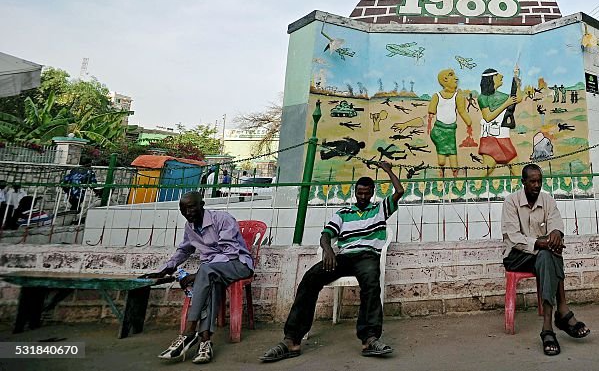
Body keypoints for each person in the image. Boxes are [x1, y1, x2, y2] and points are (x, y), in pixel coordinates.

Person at [260, 160, 404, 362]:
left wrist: (387, 169)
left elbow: (399, 191)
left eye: (367, 193)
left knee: (371, 283)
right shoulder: (343, 213)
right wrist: (328, 250)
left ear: (372, 193)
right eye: (360, 193)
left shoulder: (380, 209)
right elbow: (326, 234)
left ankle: (369, 339)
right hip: (344, 257)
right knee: (310, 278)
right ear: (355, 192)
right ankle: (291, 340)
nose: (363, 197)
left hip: (367, 256)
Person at [142, 192, 255, 364]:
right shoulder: (190, 227)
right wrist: (166, 269)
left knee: (206, 272)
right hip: (213, 271)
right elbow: (184, 250)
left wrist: (199, 273)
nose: (188, 212)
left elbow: (230, 252)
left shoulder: (223, 219)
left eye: (191, 207)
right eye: (183, 209)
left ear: (202, 204)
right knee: (210, 283)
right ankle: (205, 342)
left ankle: (188, 330)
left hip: (238, 265)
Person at [502, 163, 590, 356]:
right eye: (532, 181)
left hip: (543, 255)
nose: (536, 185)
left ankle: (547, 327)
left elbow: (556, 223)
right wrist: (540, 242)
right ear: (523, 182)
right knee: (548, 252)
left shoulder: (547, 200)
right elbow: (513, 238)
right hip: (516, 257)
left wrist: (556, 233)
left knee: (549, 254)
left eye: (539, 181)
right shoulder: (511, 202)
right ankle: (563, 311)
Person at [427, 68, 475, 177]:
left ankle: (454, 175)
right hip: (439, 130)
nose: (456, 78)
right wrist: (429, 125)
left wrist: (469, 122)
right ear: (445, 79)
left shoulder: (458, 96)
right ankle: (442, 173)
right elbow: (431, 112)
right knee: (443, 159)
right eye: (452, 76)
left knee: (452, 155)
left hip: (450, 130)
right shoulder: (436, 96)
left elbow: (462, 111)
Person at [478, 67, 525, 176]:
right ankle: (473, 187)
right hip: (490, 138)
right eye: (497, 75)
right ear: (491, 78)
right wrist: (506, 104)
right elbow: (488, 117)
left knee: (514, 165)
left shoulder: (502, 96)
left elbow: (517, 98)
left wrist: (516, 79)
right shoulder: (483, 98)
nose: (501, 76)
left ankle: (520, 188)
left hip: (503, 137)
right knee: (488, 167)